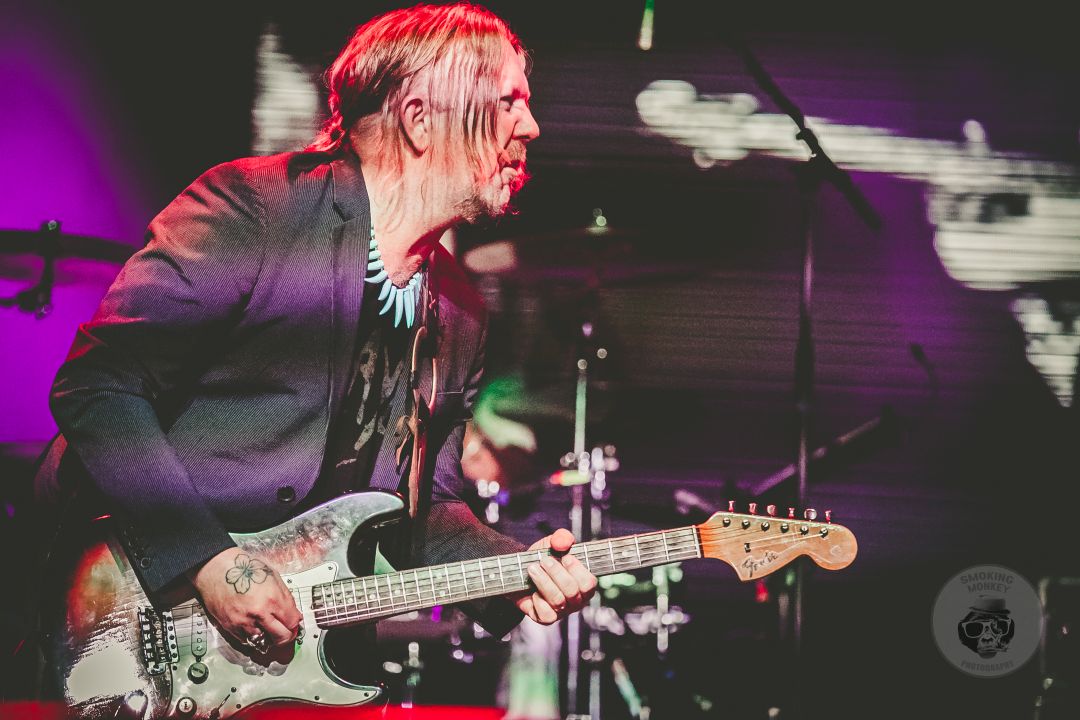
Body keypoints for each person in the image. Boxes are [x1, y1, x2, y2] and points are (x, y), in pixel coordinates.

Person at [37, 2, 595, 663]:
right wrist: (208, 563)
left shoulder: (460, 311)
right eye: (507, 103)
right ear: (420, 118)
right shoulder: (258, 210)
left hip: (301, 660)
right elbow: (99, 386)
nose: (529, 126)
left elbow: (425, 511)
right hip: (131, 624)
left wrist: (512, 572)